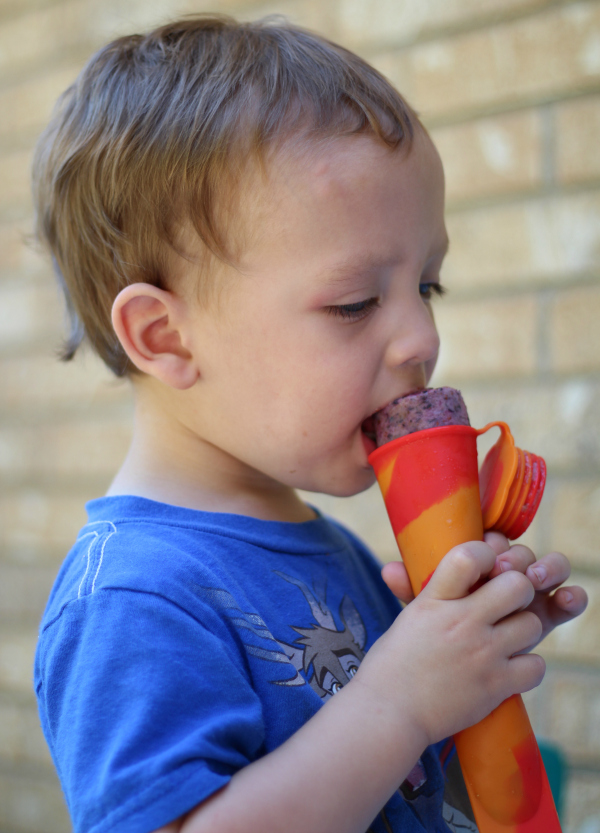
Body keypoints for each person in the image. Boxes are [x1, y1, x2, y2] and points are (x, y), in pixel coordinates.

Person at [32, 15, 587, 833]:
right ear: (165, 336)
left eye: (426, 287)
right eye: (355, 302)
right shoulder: (133, 595)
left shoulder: (334, 552)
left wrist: (468, 666)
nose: (422, 340)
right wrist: (397, 702)